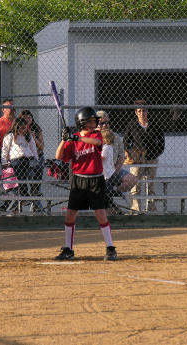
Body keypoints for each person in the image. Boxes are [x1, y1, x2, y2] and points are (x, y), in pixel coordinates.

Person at [55, 107, 117, 261]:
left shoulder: (96, 135)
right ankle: (68, 249)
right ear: (82, 123)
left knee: (101, 214)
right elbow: (58, 155)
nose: (94, 122)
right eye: (90, 120)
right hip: (79, 180)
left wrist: (76, 138)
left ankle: (110, 248)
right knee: (70, 215)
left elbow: (96, 142)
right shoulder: (73, 138)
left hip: (96, 180)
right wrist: (64, 139)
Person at [123, 100, 165, 212]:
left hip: (152, 158)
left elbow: (161, 143)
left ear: (147, 111)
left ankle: (151, 207)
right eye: (139, 111)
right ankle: (136, 208)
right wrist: (132, 155)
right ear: (136, 112)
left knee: (150, 184)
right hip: (138, 160)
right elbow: (126, 142)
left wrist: (153, 154)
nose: (142, 113)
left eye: (144, 111)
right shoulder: (132, 125)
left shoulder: (155, 124)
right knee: (136, 185)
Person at [1, 117, 39, 211]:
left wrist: (36, 159)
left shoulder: (28, 136)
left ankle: (34, 190)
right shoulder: (10, 136)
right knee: (20, 169)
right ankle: (24, 193)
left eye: (25, 128)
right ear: (16, 127)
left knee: (35, 168)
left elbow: (33, 148)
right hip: (16, 159)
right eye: (21, 128)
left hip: (28, 158)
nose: (24, 130)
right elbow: (5, 151)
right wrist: (4, 163)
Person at [97, 111, 137, 195]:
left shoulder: (115, 137)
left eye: (107, 122)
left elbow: (122, 156)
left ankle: (114, 192)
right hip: (97, 171)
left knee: (132, 180)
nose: (105, 125)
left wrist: (115, 170)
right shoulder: (92, 137)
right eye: (102, 123)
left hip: (113, 168)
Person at [18, 110, 45, 212]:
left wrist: (34, 138)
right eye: (25, 118)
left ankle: (35, 200)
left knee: (37, 169)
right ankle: (34, 199)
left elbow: (42, 147)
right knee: (30, 173)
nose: (27, 120)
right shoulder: (18, 129)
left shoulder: (36, 128)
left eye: (29, 117)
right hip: (25, 158)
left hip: (37, 155)